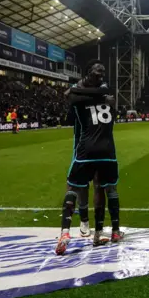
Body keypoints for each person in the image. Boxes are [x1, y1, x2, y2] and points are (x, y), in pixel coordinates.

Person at [55, 60, 123, 255]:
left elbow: (71, 97)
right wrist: (102, 98)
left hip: (85, 148)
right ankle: (102, 231)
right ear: (89, 72)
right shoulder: (106, 97)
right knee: (103, 186)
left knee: (74, 186)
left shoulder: (80, 97)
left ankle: (66, 232)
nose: (101, 76)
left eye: (102, 72)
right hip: (108, 151)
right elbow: (108, 104)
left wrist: (76, 92)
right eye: (97, 72)